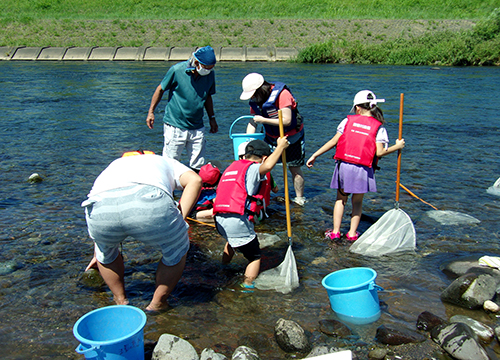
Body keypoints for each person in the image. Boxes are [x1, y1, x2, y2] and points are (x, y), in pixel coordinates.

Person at [82, 150, 202, 311]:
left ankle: (120, 300)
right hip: (148, 199)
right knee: (176, 249)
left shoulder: (115, 164)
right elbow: (196, 180)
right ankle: (157, 304)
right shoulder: (165, 160)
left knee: (106, 251)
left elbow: (106, 198)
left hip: (100, 207)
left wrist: (99, 252)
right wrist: (180, 218)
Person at [306, 90, 405, 242]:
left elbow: (333, 142)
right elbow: (379, 152)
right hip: (363, 168)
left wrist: (315, 155)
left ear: (357, 108)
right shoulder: (379, 127)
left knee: (340, 199)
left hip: (344, 166)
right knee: (357, 202)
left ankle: (335, 232)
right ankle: (352, 234)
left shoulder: (347, 121)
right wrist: (397, 146)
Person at [213, 138, 289, 287]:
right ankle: (247, 285)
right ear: (264, 157)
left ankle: (224, 267)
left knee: (232, 241)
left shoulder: (232, 167)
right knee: (255, 256)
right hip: (236, 220)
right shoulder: (254, 168)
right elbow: (267, 166)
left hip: (219, 219)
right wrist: (280, 147)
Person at [146, 46, 218, 170]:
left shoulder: (210, 75)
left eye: (211, 68)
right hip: (175, 125)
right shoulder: (177, 70)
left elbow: (208, 97)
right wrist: (151, 112)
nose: (208, 71)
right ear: (197, 63)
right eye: (206, 68)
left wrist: (212, 117)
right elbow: (160, 89)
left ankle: (196, 188)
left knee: (198, 165)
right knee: (170, 164)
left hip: (197, 126)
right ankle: (170, 188)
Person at [240, 73, 306, 206]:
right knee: (262, 165)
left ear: (260, 89)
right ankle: (262, 194)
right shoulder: (256, 100)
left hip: (291, 136)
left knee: (294, 168)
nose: (252, 97)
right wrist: (248, 142)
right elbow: (253, 122)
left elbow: (286, 120)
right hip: (270, 137)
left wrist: (263, 120)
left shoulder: (282, 94)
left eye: (253, 94)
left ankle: (299, 198)